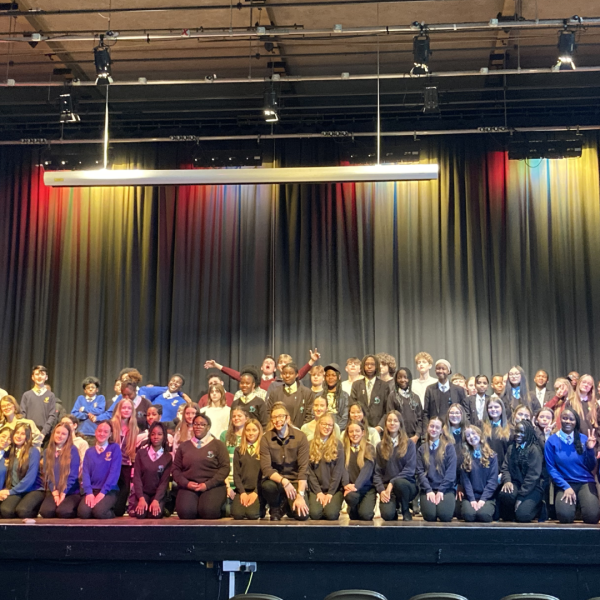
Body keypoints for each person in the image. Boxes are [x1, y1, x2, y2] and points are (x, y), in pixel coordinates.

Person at [544, 408, 599, 524]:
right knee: (565, 517)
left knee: (592, 517)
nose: (568, 421)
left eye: (571, 419)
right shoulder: (551, 441)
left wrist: (590, 450)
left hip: (585, 482)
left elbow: (591, 466)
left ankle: (581, 505)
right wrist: (566, 487)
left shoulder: (584, 439)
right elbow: (551, 468)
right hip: (565, 483)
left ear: (576, 422)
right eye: (564, 418)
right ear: (560, 420)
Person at [173, 413, 230, 519]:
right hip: (189, 486)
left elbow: (225, 468)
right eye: (195, 424)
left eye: (202, 424)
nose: (198, 426)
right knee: (186, 513)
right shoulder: (184, 446)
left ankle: (219, 507)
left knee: (208, 512)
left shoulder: (218, 445)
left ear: (208, 427)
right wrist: (186, 483)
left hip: (212, 486)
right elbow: (176, 469)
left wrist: (207, 485)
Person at [260, 402, 310, 521]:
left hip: (295, 482)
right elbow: (266, 468)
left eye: (281, 416)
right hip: (277, 481)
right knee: (267, 486)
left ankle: (287, 505)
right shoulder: (266, 438)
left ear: (287, 418)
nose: (277, 420)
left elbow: (303, 468)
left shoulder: (300, 437)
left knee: (301, 516)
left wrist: (300, 495)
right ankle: (275, 507)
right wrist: (284, 481)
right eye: (274, 417)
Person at [373, 411, 417, 521]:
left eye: (395, 421)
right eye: (389, 420)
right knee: (387, 516)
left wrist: (392, 483)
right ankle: (394, 508)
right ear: (386, 424)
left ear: (400, 424)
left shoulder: (409, 444)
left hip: (407, 485)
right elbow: (377, 472)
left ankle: (405, 509)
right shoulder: (380, 446)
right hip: (388, 489)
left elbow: (410, 470)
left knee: (399, 483)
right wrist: (381, 490)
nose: (392, 423)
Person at [205, 350, 319, 392]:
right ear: (261, 367)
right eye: (266, 362)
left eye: (271, 363)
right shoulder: (255, 381)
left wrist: (311, 361)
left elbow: (299, 374)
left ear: (275, 369)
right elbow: (237, 375)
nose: (268, 363)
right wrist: (217, 366)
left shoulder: (280, 382)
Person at [499, 419, 545, 522]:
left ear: (528, 433)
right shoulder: (511, 448)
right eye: (516, 431)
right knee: (506, 494)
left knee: (523, 516)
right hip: (516, 483)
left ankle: (538, 508)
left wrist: (520, 497)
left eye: (522, 432)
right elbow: (505, 467)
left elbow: (532, 477)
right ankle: (513, 513)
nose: (518, 434)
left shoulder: (534, 450)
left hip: (533, 487)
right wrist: (507, 481)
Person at [78, 420, 122, 519]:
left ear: (110, 434)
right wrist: (89, 493)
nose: (102, 433)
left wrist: (102, 493)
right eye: (99, 431)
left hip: (108, 490)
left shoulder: (115, 448)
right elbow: (85, 473)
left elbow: (114, 473)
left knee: (99, 512)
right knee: (83, 513)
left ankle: (111, 510)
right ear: (95, 432)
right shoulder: (89, 451)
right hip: (92, 490)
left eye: (106, 432)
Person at [416, 416, 457, 522]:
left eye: (437, 427)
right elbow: (420, 472)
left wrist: (441, 490)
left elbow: (451, 473)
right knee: (430, 516)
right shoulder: (421, 449)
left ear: (441, 430)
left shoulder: (449, 448)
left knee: (445, 516)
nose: (434, 429)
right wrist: (429, 490)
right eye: (432, 426)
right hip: (428, 489)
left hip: (445, 489)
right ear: (427, 428)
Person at [129, 422, 172, 519]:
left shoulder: (167, 457)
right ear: (149, 436)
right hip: (143, 493)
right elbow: (137, 478)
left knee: (154, 515)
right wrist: (140, 498)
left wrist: (156, 500)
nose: (156, 437)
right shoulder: (141, 453)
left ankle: (162, 507)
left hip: (157, 494)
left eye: (159, 434)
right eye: (153, 434)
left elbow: (164, 483)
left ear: (164, 436)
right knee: (140, 514)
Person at [0, 423, 43, 518]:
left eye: (22, 434)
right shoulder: (10, 452)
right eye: (17, 432)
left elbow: (30, 479)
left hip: (33, 489)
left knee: (23, 511)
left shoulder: (33, 451)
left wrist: (9, 492)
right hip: (16, 490)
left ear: (27, 436)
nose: (19, 436)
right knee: (5, 510)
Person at [39, 422, 81, 518]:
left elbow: (73, 475)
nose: (60, 436)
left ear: (68, 436)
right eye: (58, 433)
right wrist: (55, 494)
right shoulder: (47, 452)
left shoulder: (73, 450)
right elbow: (48, 474)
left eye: (63, 434)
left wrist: (63, 493)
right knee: (46, 512)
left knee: (64, 512)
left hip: (70, 492)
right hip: (55, 491)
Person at [307, 414, 345, 520]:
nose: (327, 427)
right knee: (315, 514)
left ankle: (330, 506)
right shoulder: (310, 444)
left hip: (334, 490)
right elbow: (309, 471)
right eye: (324, 424)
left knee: (331, 515)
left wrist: (330, 493)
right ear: (318, 425)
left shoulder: (338, 445)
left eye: (330, 425)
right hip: (316, 489)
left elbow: (338, 471)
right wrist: (318, 492)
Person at [459, 425, 498, 522]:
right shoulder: (465, 456)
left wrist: (482, 500)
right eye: (468, 436)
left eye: (473, 433)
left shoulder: (492, 456)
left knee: (484, 515)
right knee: (469, 515)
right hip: (470, 497)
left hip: (487, 497)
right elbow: (466, 481)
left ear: (480, 435)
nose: (471, 437)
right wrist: (472, 499)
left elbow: (493, 481)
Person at [110, 398, 139, 517]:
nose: (126, 410)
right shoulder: (111, 425)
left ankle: (118, 510)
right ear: (118, 409)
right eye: (124, 407)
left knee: (125, 489)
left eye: (129, 408)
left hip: (125, 464)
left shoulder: (134, 429)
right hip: (111, 464)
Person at [342, 421, 377, 521]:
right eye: (351, 431)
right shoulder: (344, 450)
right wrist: (346, 485)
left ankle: (360, 507)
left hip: (367, 489)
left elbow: (367, 471)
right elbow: (342, 470)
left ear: (363, 432)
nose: (354, 434)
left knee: (366, 515)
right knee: (352, 499)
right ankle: (352, 508)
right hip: (350, 489)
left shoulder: (369, 448)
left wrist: (356, 486)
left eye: (357, 431)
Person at [423, 359, 470, 432]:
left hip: (455, 430)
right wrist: (426, 431)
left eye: (443, 368)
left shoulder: (459, 390)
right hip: (436, 430)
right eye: (438, 368)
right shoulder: (430, 389)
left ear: (448, 371)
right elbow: (426, 413)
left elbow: (464, 411)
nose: (440, 371)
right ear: (435, 371)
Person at [232, 418, 264, 520]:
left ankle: (262, 506)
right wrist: (242, 492)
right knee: (237, 515)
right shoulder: (239, 450)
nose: (251, 433)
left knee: (252, 515)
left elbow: (265, 474)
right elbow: (236, 474)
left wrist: (256, 492)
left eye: (254, 430)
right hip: (243, 490)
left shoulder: (264, 449)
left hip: (258, 490)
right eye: (248, 430)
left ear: (259, 432)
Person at [266, 363, 313, 429]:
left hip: (300, 433)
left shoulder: (306, 393)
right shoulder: (275, 393)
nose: (287, 375)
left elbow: (309, 415)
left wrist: (300, 432)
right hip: (278, 432)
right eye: (284, 373)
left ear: (296, 375)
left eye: (290, 373)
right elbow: (269, 413)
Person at [350, 355, 390, 430]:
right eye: (367, 364)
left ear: (377, 366)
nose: (369, 366)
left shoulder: (384, 386)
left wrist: (380, 427)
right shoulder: (356, 385)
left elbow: (387, 409)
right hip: (360, 428)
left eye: (372, 364)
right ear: (363, 366)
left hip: (378, 429)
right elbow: (352, 407)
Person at [385, 367, 422, 446]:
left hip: (414, 438)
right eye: (399, 377)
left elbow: (420, 419)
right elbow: (390, 417)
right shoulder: (392, 397)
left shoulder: (416, 397)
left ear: (409, 379)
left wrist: (417, 436)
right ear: (396, 380)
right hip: (398, 437)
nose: (402, 380)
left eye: (405, 377)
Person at [19, 365, 57, 443]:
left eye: (42, 374)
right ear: (32, 377)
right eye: (37, 374)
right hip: (29, 434)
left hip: (45, 435)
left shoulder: (51, 395)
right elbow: (22, 414)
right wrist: (28, 431)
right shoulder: (27, 395)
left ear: (46, 377)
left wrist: (43, 433)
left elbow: (52, 416)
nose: (39, 377)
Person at [221, 408, 249, 505]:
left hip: (244, 484)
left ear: (246, 418)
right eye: (234, 416)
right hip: (228, 482)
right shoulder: (224, 435)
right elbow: (221, 462)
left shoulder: (250, 436)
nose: (236, 418)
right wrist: (227, 486)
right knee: (226, 511)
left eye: (239, 416)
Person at [71, 377, 105, 441]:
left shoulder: (100, 398)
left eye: (93, 387)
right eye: (88, 388)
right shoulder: (80, 399)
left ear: (97, 389)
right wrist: (87, 415)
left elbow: (100, 411)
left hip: (95, 432)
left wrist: (84, 409)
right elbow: (74, 413)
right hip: (81, 432)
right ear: (85, 390)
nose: (90, 389)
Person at [481, 397, 512, 466]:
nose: (493, 409)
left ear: (502, 409)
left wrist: (504, 471)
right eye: (490, 407)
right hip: (484, 467)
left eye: (496, 407)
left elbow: (510, 454)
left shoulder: (510, 428)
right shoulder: (480, 426)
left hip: (503, 469)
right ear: (487, 410)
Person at [322, 363, 349, 430]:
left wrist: (337, 429)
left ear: (339, 377)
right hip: (322, 428)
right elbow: (314, 414)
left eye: (333, 375)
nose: (330, 378)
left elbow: (345, 417)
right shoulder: (319, 396)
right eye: (328, 375)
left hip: (339, 429)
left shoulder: (345, 396)